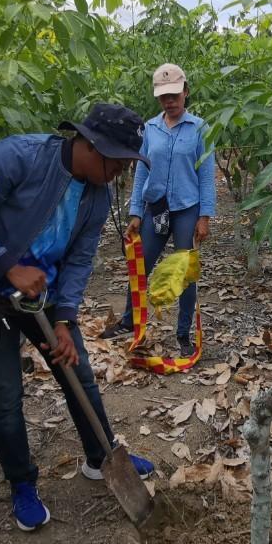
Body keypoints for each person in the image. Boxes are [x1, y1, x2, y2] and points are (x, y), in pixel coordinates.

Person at [0, 103, 156, 531]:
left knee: (78, 375)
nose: (120, 173)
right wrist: (7, 266)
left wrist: (64, 319)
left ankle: (102, 455)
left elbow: (80, 260)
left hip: (43, 299)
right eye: (118, 163)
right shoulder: (17, 157)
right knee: (5, 396)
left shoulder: (97, 197)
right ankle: (22, 483)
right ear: (91, 145)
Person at [99, 63, 214, 357]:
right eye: (164, 97)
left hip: (187, 208)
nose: (170, 101)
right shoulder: (150, 128)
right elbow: (141, 172)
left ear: (186, 92)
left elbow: (205, 173)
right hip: (156, 208)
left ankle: (183, 333)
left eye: (175, 95)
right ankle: (129, 321)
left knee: (185, 272)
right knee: (140, 266)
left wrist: (205, 216)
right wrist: (136, 212)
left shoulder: (200, 128)